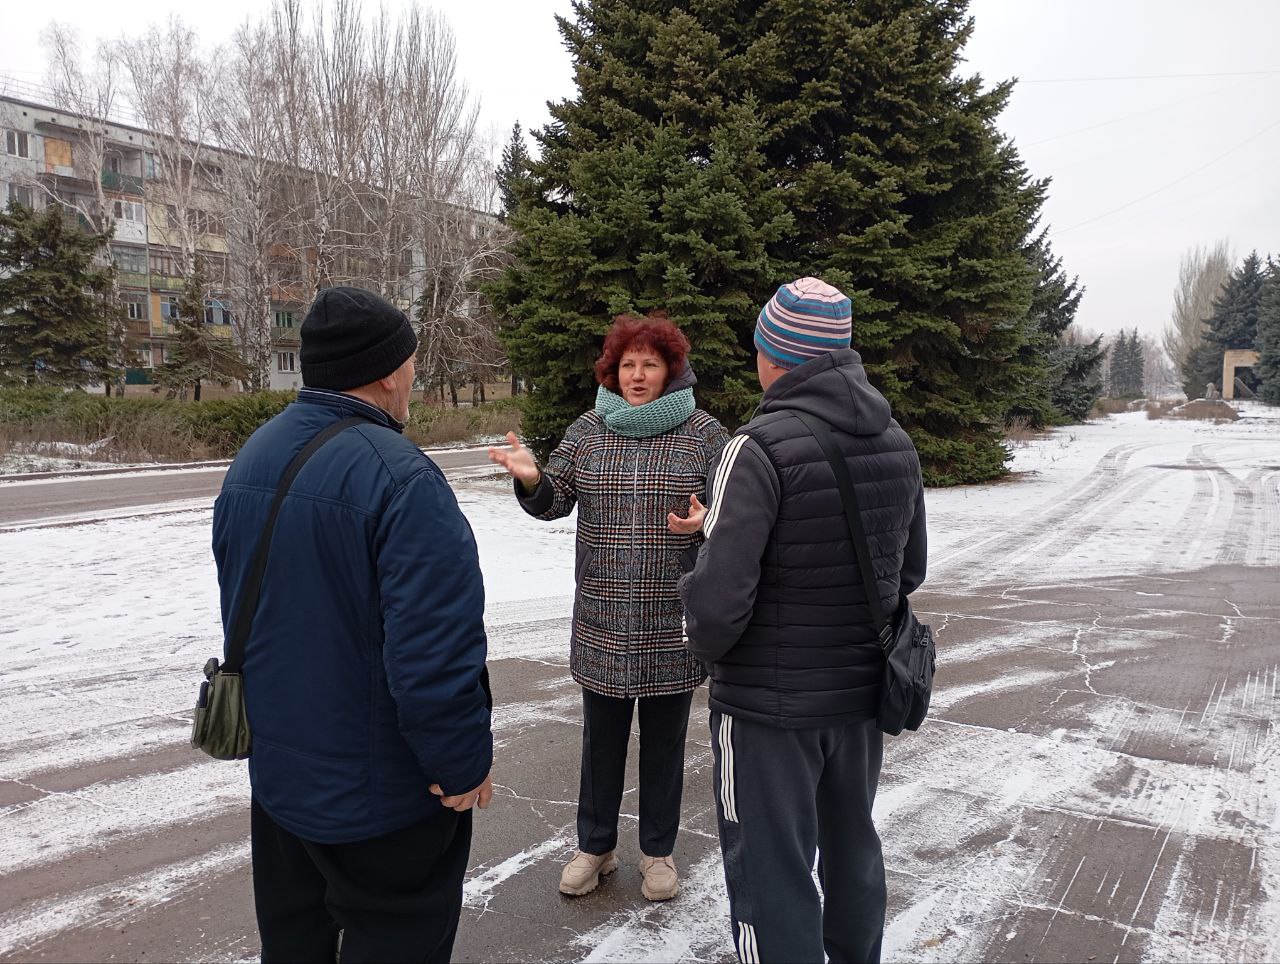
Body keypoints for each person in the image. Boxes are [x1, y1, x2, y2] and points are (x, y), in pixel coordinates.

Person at [211, 286, 493, 964]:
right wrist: (460, 765)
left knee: (296, 944)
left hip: (283, 779)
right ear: (391, 371)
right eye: (412, 363)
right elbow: (433, 653)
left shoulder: (254, 455)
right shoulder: (402, 480)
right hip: (382, 798)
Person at [679, 278, 927, 964]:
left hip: (767, 710)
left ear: (773, 354)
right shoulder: (896, 441)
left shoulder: (754, 448)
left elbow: (720, 601)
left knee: (770, 873)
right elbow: (909, 573)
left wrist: (695, 614)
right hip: (858, 699)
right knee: (852, 851)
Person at [489, 312, 729, 902]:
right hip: (601, 619)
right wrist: (530, 480)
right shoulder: (589, 431)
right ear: (612, 370)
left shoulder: (704, 435)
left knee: (665, 744)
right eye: (628, 365)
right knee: (601, 742)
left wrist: (708, 522)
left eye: (650, 364)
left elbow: (737, 512)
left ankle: (658, 853)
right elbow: (553, 502)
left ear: (671, 369)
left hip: (670, 618)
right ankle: (595, 846)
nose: (638, 375)